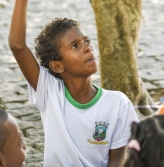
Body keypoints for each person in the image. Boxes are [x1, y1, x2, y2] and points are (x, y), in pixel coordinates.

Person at [8, 0, 139, 166]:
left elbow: (117, 161)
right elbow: (17, 45)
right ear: (57, 66)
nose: (87, 48)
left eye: (86, 41)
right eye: (75, 46)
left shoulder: (118, 103)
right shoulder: (49, 92)